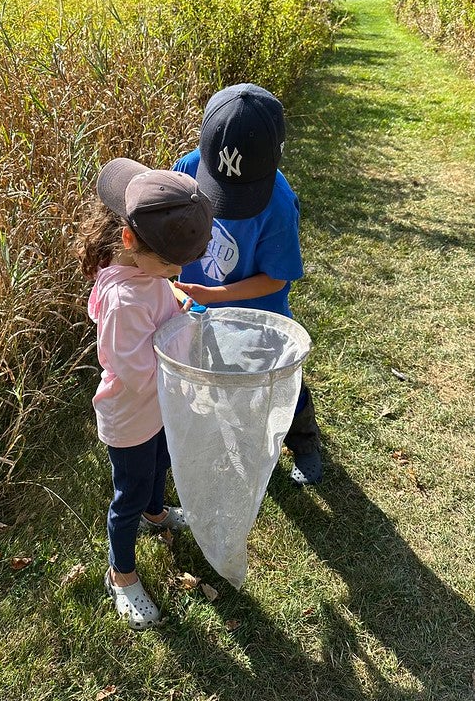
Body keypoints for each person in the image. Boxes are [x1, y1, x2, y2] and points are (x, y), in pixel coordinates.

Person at [76, 157, 213, 629]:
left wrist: (177, 299)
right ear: (130, 241)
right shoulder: (124, 301)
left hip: (157, 408)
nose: (176, 271)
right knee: (129, 493)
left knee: (160, 464)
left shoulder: (144, 273)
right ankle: (122, 573)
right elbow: (135, 371)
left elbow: (161, 297)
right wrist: (188, 374)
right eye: (170, 264)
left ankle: (157, 515)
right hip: (132, 415)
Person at [172, 83, 323, 486]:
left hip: (259, 317)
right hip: (201, 310)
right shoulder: (187, 168)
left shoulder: (278, 203)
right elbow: (170, 227)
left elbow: (275, 277)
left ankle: (304, 441)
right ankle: (240, 435)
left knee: (280, 383)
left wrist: (215, 295)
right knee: (224, 377)